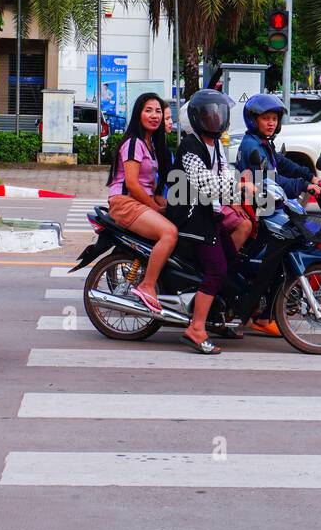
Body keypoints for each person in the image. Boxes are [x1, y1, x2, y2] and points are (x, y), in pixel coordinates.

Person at [167, 89, 249, 355]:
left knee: (231, 262)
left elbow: (227, 174)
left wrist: (241, 186)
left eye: (218, 113)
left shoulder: (215, 146)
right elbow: (206, 184)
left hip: (209, 214)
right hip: (192, 217)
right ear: (197, 117)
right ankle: (196, 328)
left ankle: (216, 316)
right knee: (216, 269)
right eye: (209, 114)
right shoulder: (191, 146)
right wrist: (240, 188)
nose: (215, 118)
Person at [237, 94, 321, 336]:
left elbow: (282, 164)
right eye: (266, 118)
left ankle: (269, 310)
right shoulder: (252, 146)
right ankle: (261, 314)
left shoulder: (264, 143)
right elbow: (272, 180)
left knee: (304, 235)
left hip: (271, 206)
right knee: (278, 258)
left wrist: (310, 176)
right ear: (254, 120)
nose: (271, 123)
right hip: (262, 211)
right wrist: (304, 186)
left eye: (274, 118)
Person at [106, 93, 176, 314]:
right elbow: (133, 184)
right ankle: (146, 285)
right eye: (148, 110)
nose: (154, 116)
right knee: (169, 233)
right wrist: (155, 208)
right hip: (126, 202)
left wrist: (172, 205)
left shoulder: (151, 145)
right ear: (138, 113)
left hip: (139, 201)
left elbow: (151, 189)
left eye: (158, 112)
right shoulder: (133, 143)